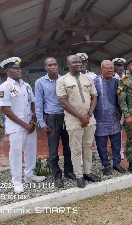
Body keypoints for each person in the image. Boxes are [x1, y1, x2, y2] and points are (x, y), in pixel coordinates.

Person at [0, 57, 45, 193]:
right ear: (7, 71)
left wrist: (33, 122)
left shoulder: (26, 85)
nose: (19, 70)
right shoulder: (4, 88)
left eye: (19, 68)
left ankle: (30, 174)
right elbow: (6, 110)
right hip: (17, 128)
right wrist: (25, 125)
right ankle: (16, 181)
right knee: (16, 154)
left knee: (31, 151)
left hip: (30, 125)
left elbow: (33, 103)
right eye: (15, 68)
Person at [56, 55, 101, 188]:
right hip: (73, 120)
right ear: (68, 64)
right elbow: (63, 103)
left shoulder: (88, 78)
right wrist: (80, 116)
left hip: (89, 119)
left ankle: (87, 172)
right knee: (75, 149)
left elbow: (94, 97)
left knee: (87, 146)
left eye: (79, 62)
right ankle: (79, 175)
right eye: (74, 62)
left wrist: (89, 114)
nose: (78, 64)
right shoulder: (62, 80)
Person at [35, 57, 75, 188]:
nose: (52, 67)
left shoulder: (65, 80)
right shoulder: (40, 82)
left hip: (66, 117)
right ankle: (57, 176)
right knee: (53, 150)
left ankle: (69, 171)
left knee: (68, 147)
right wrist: (42, 122)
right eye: (49, 65)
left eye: (55, 64)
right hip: (52, 118)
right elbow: (39, 104)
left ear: (58, 66)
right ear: (45, 67)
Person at [93, 60, 126, 175]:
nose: (111, 70)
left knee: (116, 143)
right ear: (101, 69)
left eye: (112, 68)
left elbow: (121, 99)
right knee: (101, 145)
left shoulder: (117, 82)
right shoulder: (95, 82)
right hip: (99, 119)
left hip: (114, 118)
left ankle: (117, 164)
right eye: (108, 68)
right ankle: (106, 165)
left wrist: (121, 113)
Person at [111, 58, 126, 159]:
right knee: (118, 131)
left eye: (121, 65)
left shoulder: (127, 77)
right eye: (117, 65)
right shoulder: (112, 78)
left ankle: (130, 148)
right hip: (118, 108)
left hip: (128, 108)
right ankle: (119, 150)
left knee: (130, 130)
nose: (119, 67)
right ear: (114, 67)